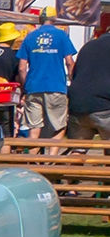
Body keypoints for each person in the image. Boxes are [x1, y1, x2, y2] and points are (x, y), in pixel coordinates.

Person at [17, 9, 77, 140]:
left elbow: (22, 68)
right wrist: (72, 80)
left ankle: (31, 159)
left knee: (34, 127)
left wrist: (25, 86)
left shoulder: (30, 36)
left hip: (33, 88)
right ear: (54, 19)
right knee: (59, 126)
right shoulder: (61, 35)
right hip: (56, 86)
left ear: (40, 19)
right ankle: (52, 159)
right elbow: (69, 62)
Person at [68, 27, 110, 141]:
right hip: (104, 107)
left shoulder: (88, 46)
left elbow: (74, 74)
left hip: (77, 106)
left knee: (78, 150)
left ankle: (74, 156)